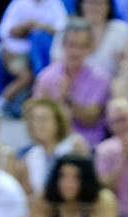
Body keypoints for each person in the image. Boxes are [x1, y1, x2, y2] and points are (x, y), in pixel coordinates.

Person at [0, 0, 69, 110]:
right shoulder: (19, 3)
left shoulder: (55, 4)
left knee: (39, 40)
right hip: (16, 53)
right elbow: (3, 31)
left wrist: (40, 27)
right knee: (24, 77)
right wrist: (22, 28)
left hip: (42, 54)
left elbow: (63, 29)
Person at [33, 17, 112, 147]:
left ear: (90, 48)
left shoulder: (100, 78)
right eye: (71, 45)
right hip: (51, 144)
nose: (75, 52)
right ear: (63, 45)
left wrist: (67, 98)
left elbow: (91, 119)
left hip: (88, 145)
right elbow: (36, 118)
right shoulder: (46, 77)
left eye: (82, 46)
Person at [23, 152, 119, 217]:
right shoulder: (44, 198)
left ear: (86, 179)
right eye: (62, 176)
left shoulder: (103, 199)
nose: (68, 184)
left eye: (76, 177)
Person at [10, 96, 88, 195]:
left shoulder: (75, 145)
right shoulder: (29, 156)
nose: (37, 125)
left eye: (43, 119)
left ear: (58, 122)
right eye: (33, 120)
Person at [54, 0, 128, 77]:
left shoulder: (121, 29)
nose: (95, 7)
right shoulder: (67, 26)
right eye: (90, 2)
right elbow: (55, 63)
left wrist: (125, 63)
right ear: (81, 4)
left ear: (109, 5)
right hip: (71, 84)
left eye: (100, 3)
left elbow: (126, 66)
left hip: (111, 86)